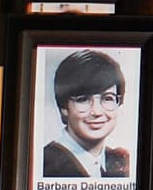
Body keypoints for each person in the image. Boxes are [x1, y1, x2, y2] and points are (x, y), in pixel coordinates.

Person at [42, 49, 131, 178]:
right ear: (64, 107)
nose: (97, 112)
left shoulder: (121, 164)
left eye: (107, 98)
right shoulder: (45, 165)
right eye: (83, 99)